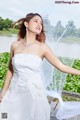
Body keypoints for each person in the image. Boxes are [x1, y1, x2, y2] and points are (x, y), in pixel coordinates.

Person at [0, 13, 80, 120]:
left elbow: (62, 67)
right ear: (26, 24)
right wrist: (3, 91)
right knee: (5, 116)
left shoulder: (42, 47)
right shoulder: (14, 45)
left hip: (33, 95)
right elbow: (10, 70)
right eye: (36, 21)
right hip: (14, 91)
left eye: (41, 23)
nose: (39, 24)